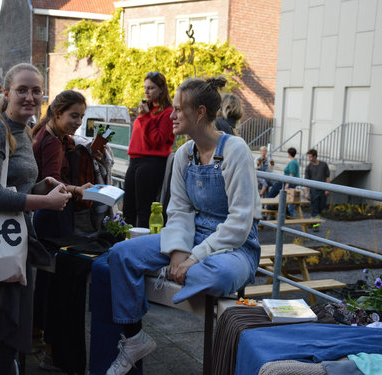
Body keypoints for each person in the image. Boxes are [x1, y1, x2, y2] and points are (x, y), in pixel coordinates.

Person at [90, 76, 261, 375]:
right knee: (120, 254)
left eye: (180, 108)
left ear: (200, 113)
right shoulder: (183, 155)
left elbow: (240, 222)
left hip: (236, 245)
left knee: (221, 275)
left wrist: (193, 257)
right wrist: (178, 252)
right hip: (193, 236)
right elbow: (179, 210)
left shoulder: (236, 151)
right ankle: (133, 338)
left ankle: (168, 275)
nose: (172, 114)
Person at [0, 63, 72, 375]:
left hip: (14, 243)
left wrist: (45, 187)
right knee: (4, 334)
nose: (30, 96)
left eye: (36, 90)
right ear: (6, 93)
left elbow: (16, 186)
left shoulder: (23, 131)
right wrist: (44, 201)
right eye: (22, 90)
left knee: (2, 335)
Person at [31, 90, 114, 372]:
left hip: (50, 217)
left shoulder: (52, 135)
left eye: (81, 116)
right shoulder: (52, 142)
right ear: (57, 113)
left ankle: (43, 343)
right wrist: (80, 189)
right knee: (57, 287)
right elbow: (50, 182)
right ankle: (52, 352)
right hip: (53, 218)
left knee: (48, 285)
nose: (78, 122)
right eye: (73, 115)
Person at [123, 72, 174, 228]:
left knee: (143, 209)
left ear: (161, 90)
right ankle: (124, 242)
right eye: (145, 88)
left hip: (151, 162)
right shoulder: (148, 110)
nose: (147, 91)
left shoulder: (167, 113)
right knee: (128, 207)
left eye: (151, 88)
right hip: (135, 160)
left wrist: (145, 118)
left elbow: (158, 140)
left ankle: (141, 244)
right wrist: (145, 115)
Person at [267, 147, 299, 216]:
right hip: (289, 182)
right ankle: (271, 208)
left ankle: (269, 205)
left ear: (289, 154)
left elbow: (291, 174)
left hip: (288, 182)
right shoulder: (295, 161)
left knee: (274, 188)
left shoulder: (292, 162)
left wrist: (287, 184)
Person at [304, 149, 330, 231]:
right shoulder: (308, 167)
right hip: (313, 190)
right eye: (308, 157)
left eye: (310, 157)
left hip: (323, 190)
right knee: (314, 208)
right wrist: (306, 192)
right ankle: (316, 226)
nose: (309, 158)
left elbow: (327, 177)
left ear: (315, 156)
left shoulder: (323, 165)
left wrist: (327, 189)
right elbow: (306, 181)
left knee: (320, 208)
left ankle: (312, 222)